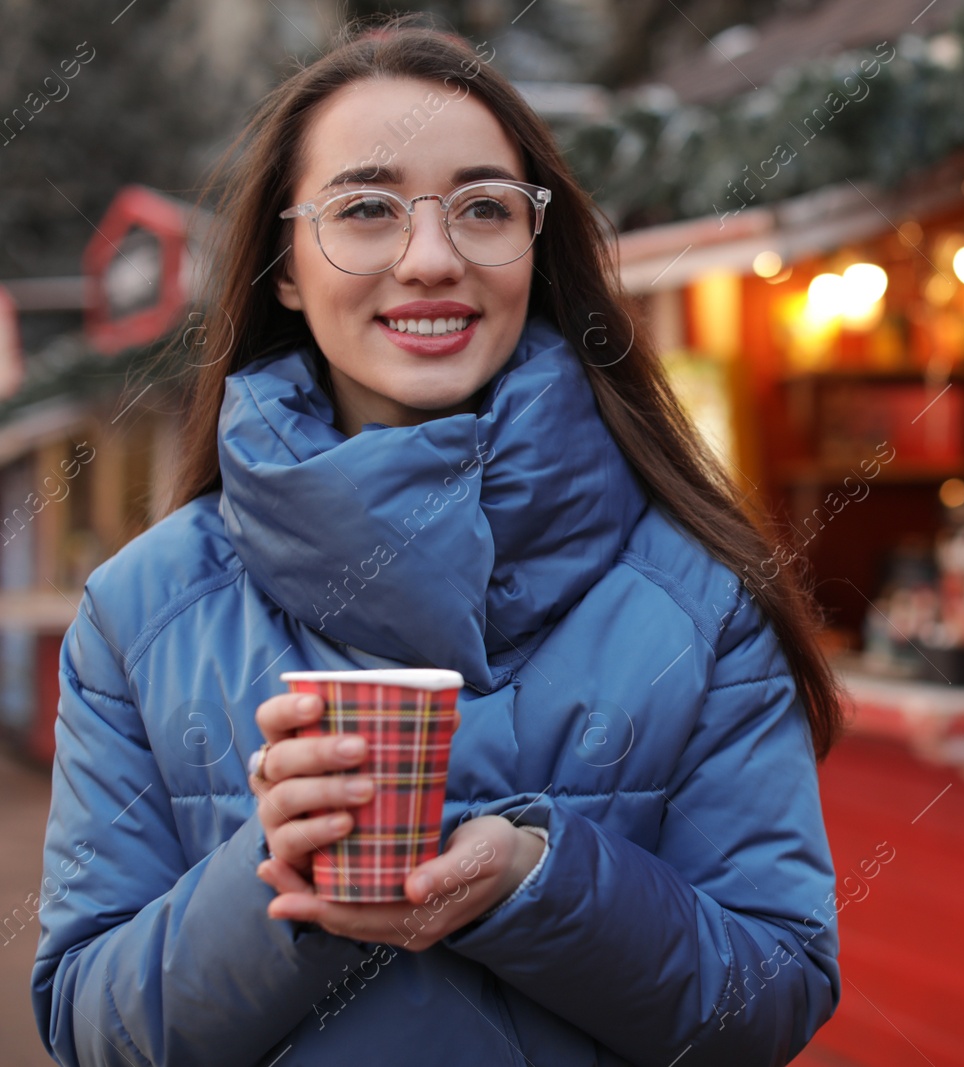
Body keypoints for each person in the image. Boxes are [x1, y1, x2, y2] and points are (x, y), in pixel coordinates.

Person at [32, 20, 845, 1067]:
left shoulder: (697, 600)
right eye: (367, 209)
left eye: (483, 208)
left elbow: (770, 999)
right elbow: (93, 1028)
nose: (430, 258)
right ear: (284, 264)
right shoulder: (140, 609)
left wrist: (539, 883)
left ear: (533, 247)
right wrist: (272, 879)